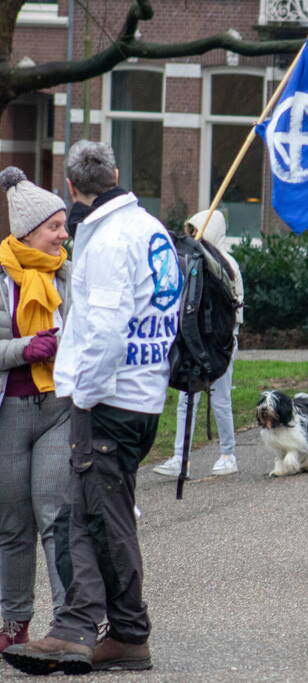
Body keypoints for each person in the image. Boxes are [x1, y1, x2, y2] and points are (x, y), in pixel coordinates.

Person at [2, 140, 182, 676]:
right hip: (142, 391)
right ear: (118, 173)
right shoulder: (148, 228)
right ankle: (96, 630)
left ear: (73, 190)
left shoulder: (105, 242)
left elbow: (103, 331)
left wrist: (81, 393)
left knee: (95, 519)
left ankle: (109, 631)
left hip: (108, 399)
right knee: (95, 514)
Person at [0, 167, 72, 651]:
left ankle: (70, 623)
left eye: (64, 226)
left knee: (55, 517)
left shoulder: (69, 272)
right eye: (55, 227)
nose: (64, 235)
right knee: (12, 523)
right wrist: (26, 349)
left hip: (59, 409)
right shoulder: (3, 278)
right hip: (11, 412)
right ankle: (13, 624)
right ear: (28, 232)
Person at [153, 209, 243, 478]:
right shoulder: (190, 261)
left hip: (219, 342)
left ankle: (228, 454)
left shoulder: (226, 264)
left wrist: (226, 337)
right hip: (193, 341)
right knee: (185, 397)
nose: (193, 236)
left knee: (220, 397)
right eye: (191, 231)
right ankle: (181, 457)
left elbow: (233, 308)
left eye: (197, 230)